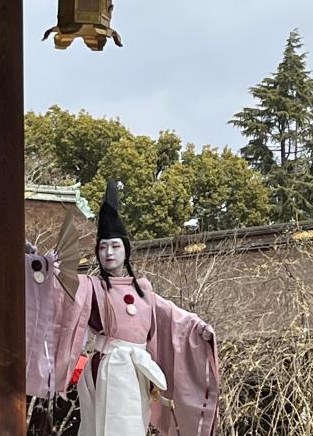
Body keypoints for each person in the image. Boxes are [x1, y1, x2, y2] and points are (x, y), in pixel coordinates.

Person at [26, 179, 219, 436]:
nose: (109, 253)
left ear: (126, 251)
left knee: (133, 427)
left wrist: (199, 328)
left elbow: (176, 319)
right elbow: (60, 284)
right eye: (103, 247)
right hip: (110, 367)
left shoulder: (144, 291)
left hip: (136, 370)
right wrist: (38, 264)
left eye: (115, 246)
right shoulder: (91, 287)